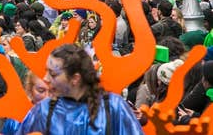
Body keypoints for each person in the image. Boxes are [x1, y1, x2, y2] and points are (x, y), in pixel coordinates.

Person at [14, 44, 143, 135]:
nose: (46, 78)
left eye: (53, 74)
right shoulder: (44, 110)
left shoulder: (113, 107)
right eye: (47, 71)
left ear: (75, 78)